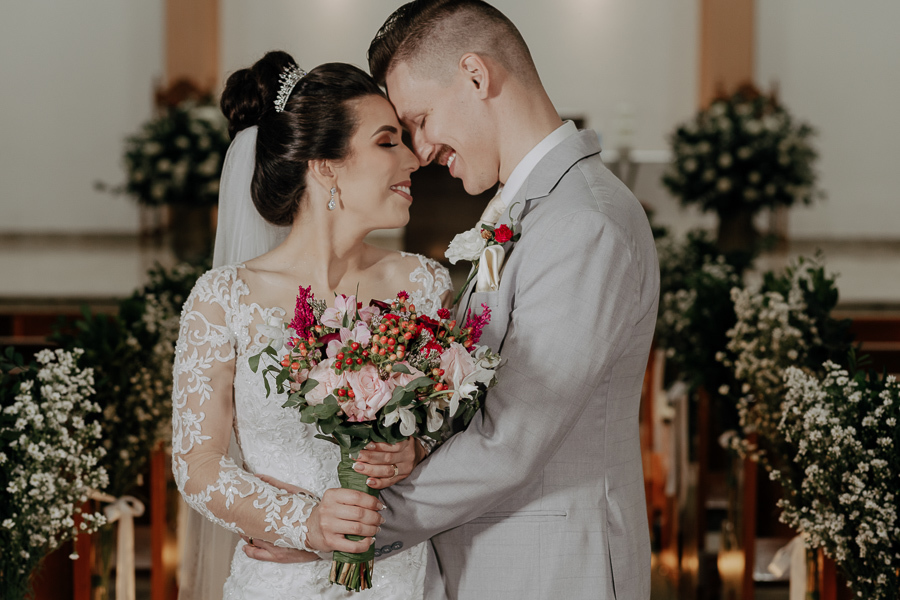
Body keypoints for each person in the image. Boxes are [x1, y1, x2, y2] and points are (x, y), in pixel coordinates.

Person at [246, 1, 659, 599]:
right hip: (491, 563)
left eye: (418, 118)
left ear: (475, 75)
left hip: (553, 569)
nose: (417, 150)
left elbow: (509, 439)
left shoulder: (583, 222)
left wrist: (341, 532)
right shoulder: (531, 210)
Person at [171, 50, 452, 599]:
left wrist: (415, 449)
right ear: (325, 165)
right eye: (387, 141)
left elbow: (462, 428)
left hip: (401, 580)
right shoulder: (225, 298)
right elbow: (197, 464)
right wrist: (301, 522)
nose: (414, 159)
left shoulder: (424, 286)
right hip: (279, 583)